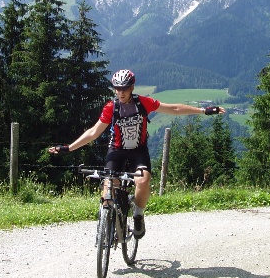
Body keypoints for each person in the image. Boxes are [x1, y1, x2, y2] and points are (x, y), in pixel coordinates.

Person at [48, 69, 225, 239]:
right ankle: (106, 222)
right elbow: (94, 132)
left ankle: (138, 215)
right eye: (117, 88)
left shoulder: (143, 103)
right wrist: (69, 148)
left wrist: (203, 111)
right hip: (116, 151)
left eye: (124, 88)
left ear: (132, 87)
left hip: (138, 151)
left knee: (143, 180)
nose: (121, 92)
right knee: (109, 185)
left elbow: (174, 109)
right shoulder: (112, 107)